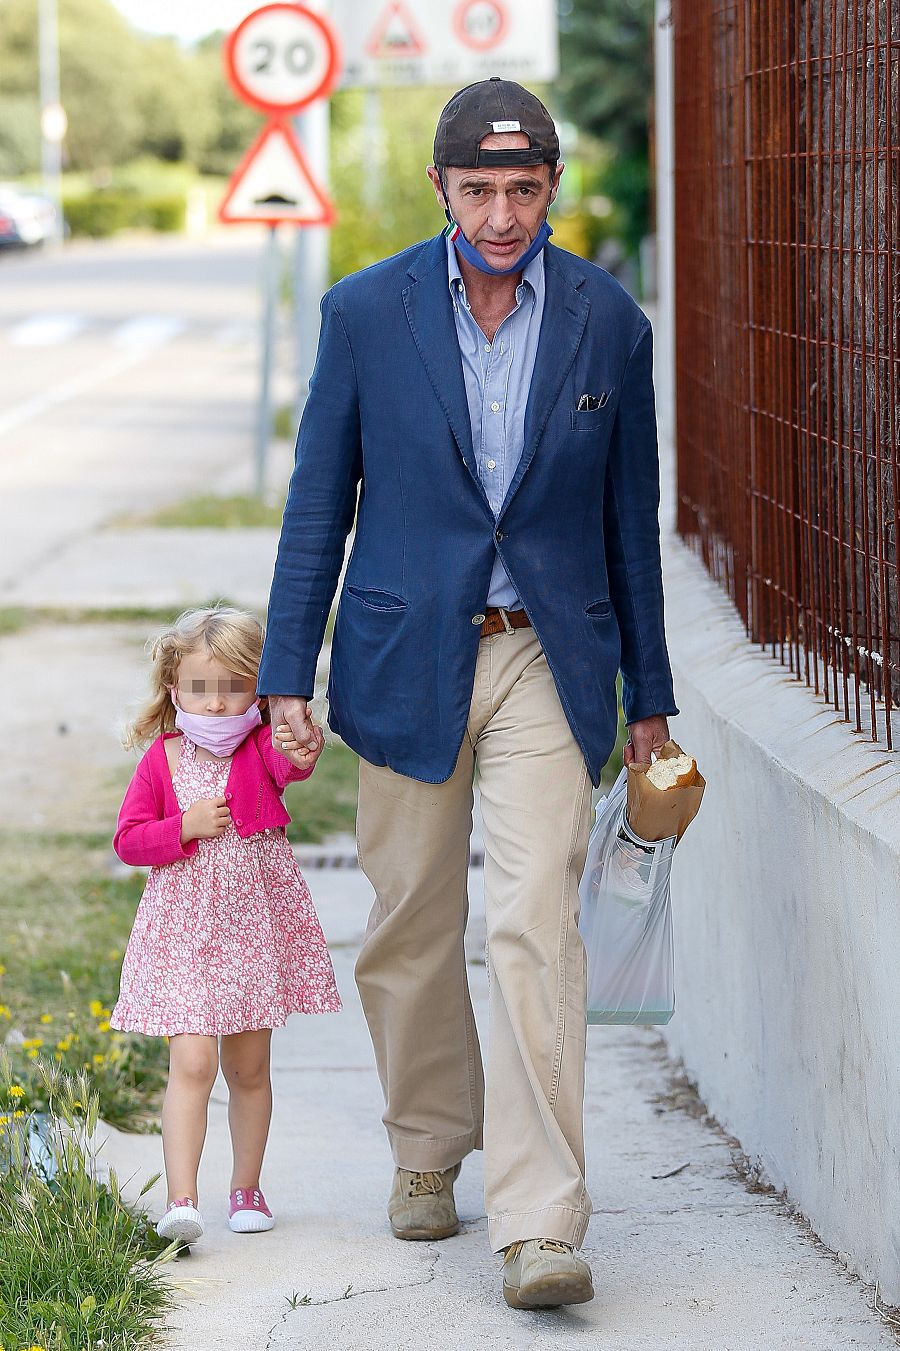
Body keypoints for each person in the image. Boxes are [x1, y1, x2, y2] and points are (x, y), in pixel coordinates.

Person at [260, 78, 678, 1310]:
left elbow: (629, 524)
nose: (502, 213)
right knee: (408, 921)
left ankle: (544, 1219)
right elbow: (315, 507)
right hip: (402, 650)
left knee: (535, 919)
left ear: (554, 188)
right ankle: (429, 1145)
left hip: (550, 651)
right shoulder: (362, 313)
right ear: (440, 187)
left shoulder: (609, 321)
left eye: (525, 188)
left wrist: (646, 692)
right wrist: (290, 669)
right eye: (479, 188)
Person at [110, 605, 340, 1246]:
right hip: (184, 932)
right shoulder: (164, 758)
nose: (216, 704)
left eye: (234, 687)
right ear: (174, 688)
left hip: (249, 931)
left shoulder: (261, 747)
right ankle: (182, 1198)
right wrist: (180, 828)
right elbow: (129, 840)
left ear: (257, 689)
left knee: (248, 1067)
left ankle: (246, 1189)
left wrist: (300, 738)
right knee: (191, 1062)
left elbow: (297, 764)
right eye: (201, 688)